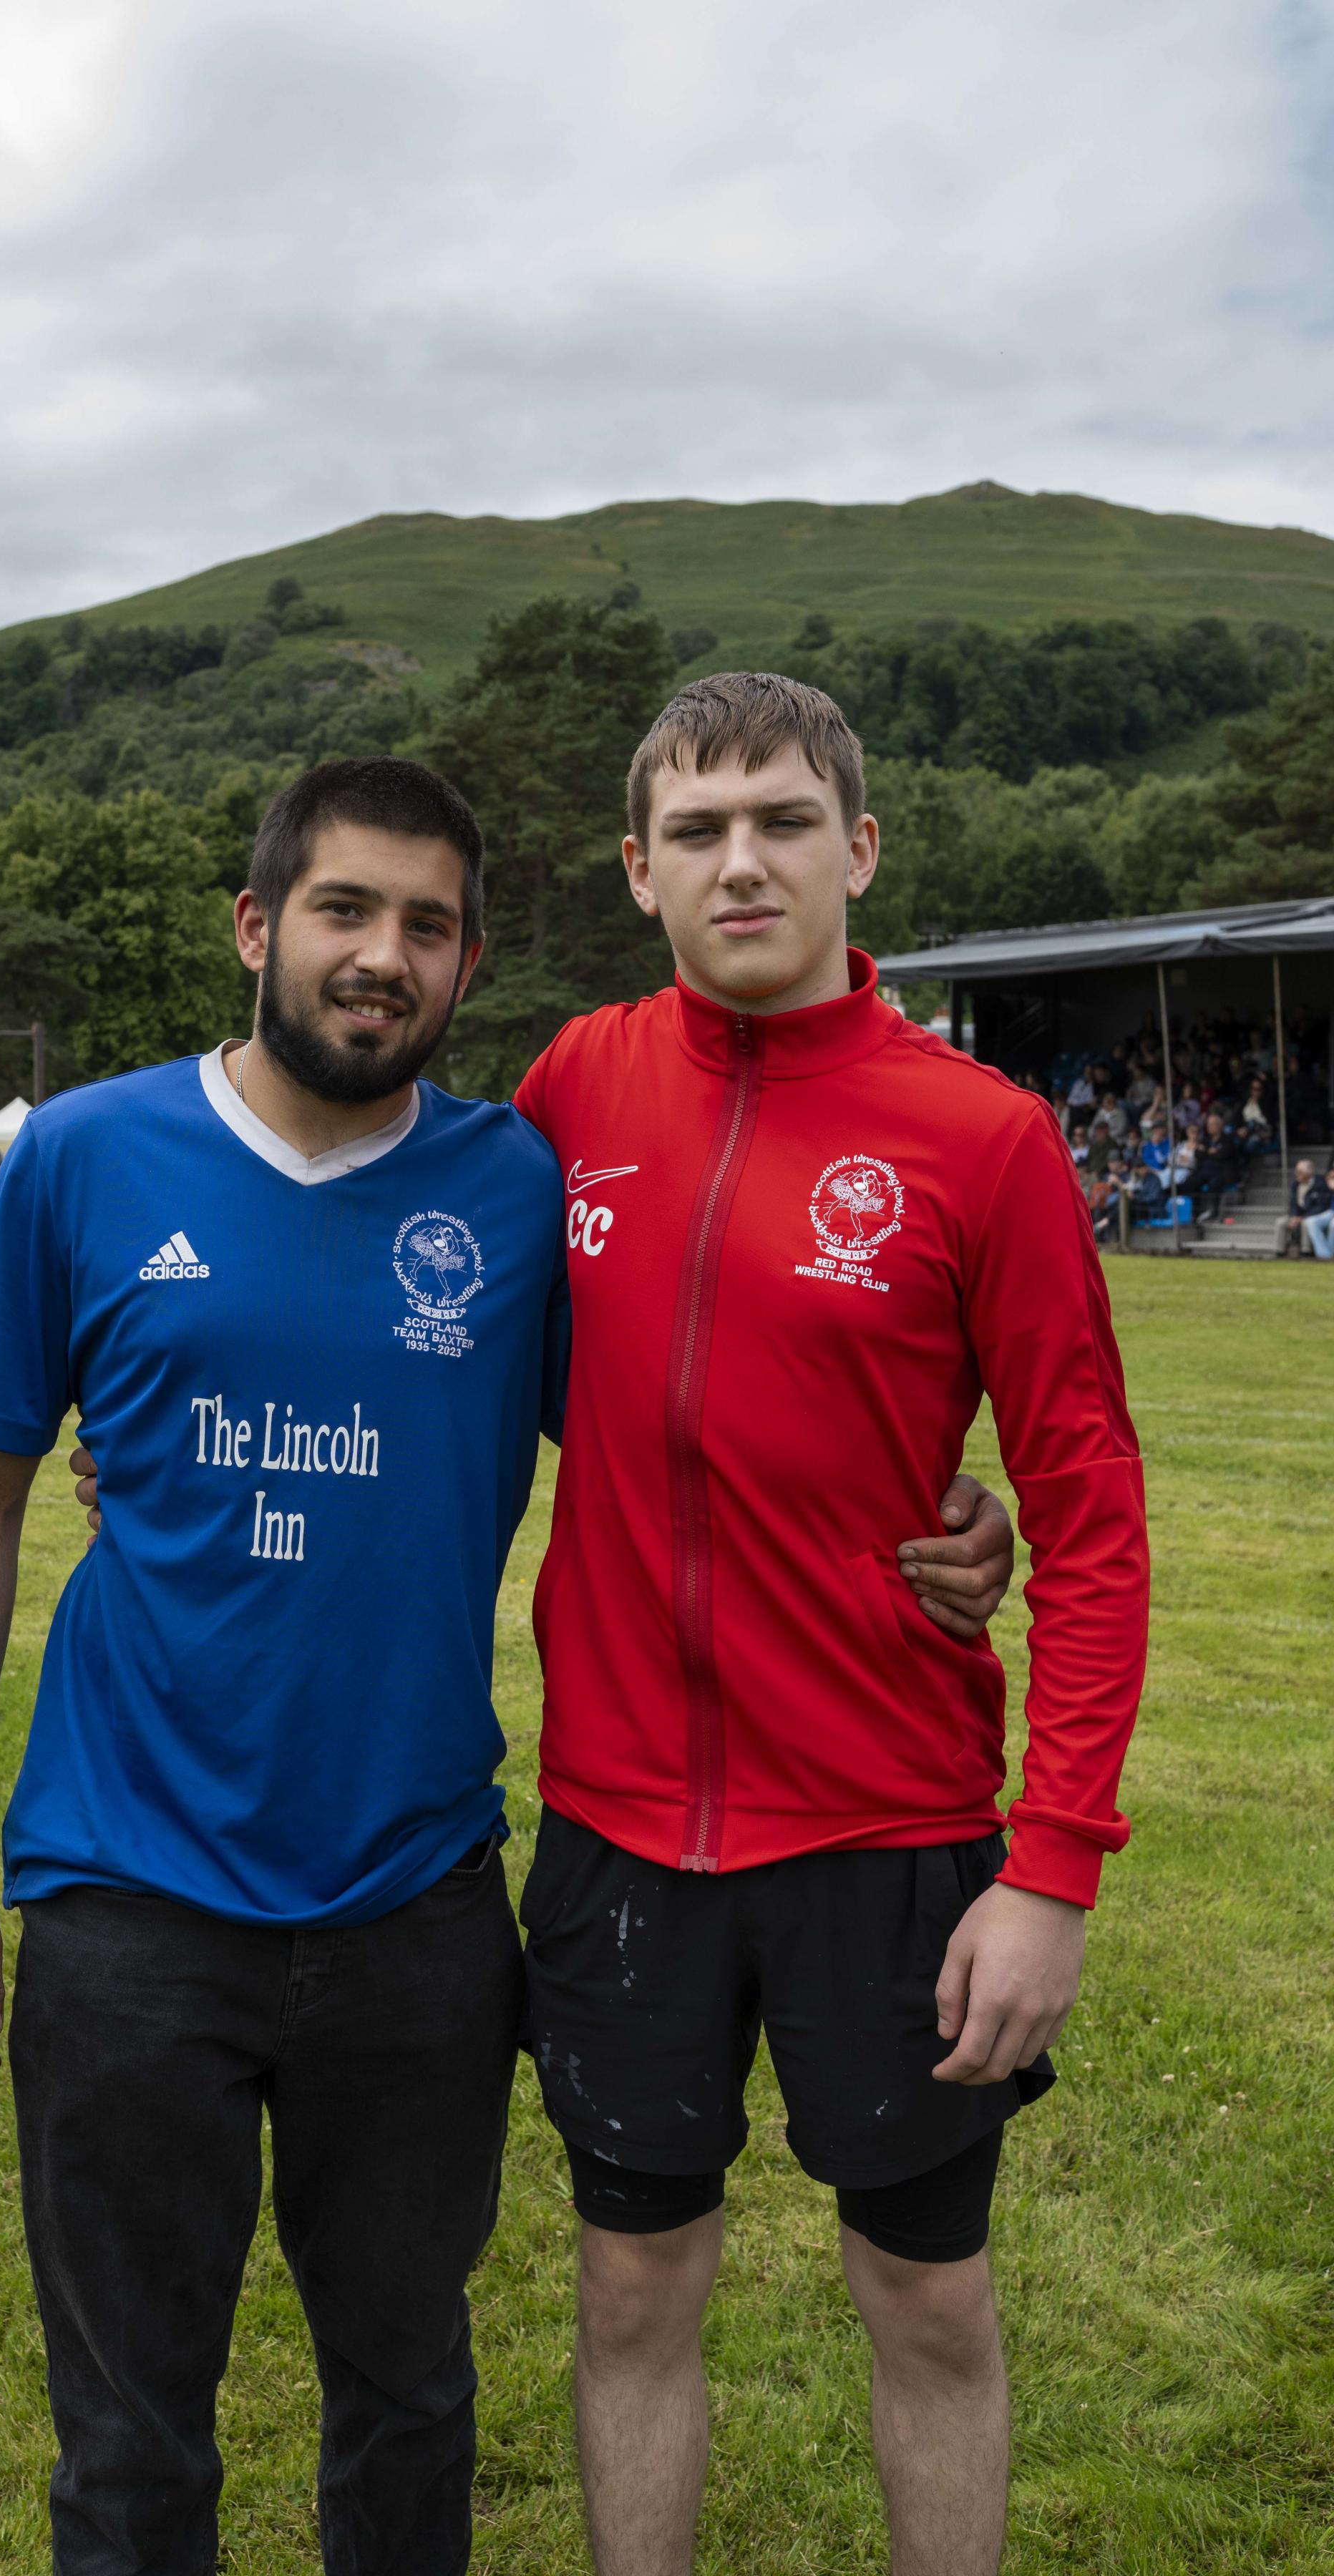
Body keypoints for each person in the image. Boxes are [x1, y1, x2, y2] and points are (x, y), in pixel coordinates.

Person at [0, 754, 1013, 2576]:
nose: (378, 957)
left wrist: (932, 1500)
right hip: (119, 1899)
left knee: (408, 2398)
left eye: (424, 927)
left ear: (467, 962)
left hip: (416, 1909)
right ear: (258, 926)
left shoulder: (522, 1176)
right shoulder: (87, 1157)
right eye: (342, 910)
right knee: (122, 2442)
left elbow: (720, 1360)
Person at [509, 674, 1147, 2576]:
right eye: (698, 832)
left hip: (893, 1830)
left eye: (784, 820)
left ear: (857, 849)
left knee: (927, 2301)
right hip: (623, 1825)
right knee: (632, 2290)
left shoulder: (984, 1138)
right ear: (642, 872)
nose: (744, 860)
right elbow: (463, 1354)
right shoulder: (573, 1090)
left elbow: (1094, 1513)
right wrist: (166, 1446)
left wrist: (1056, 1869)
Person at [1277, 1158, 1332, 1257]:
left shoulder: (1321, 1183)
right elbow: (1293, 1204)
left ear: (1309, 1172)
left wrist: (1302, 1217)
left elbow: (1321, 1206)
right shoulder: (1295, 1185)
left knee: (1306, 1222)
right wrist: (1294, 1216)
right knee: (1280, 1222)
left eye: (1300, 1172)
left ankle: (1306, 1252)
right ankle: (1279, 1251)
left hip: (1312, 1215)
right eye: (1296, 1171)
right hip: (1297, 1215)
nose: (1297, 1174)